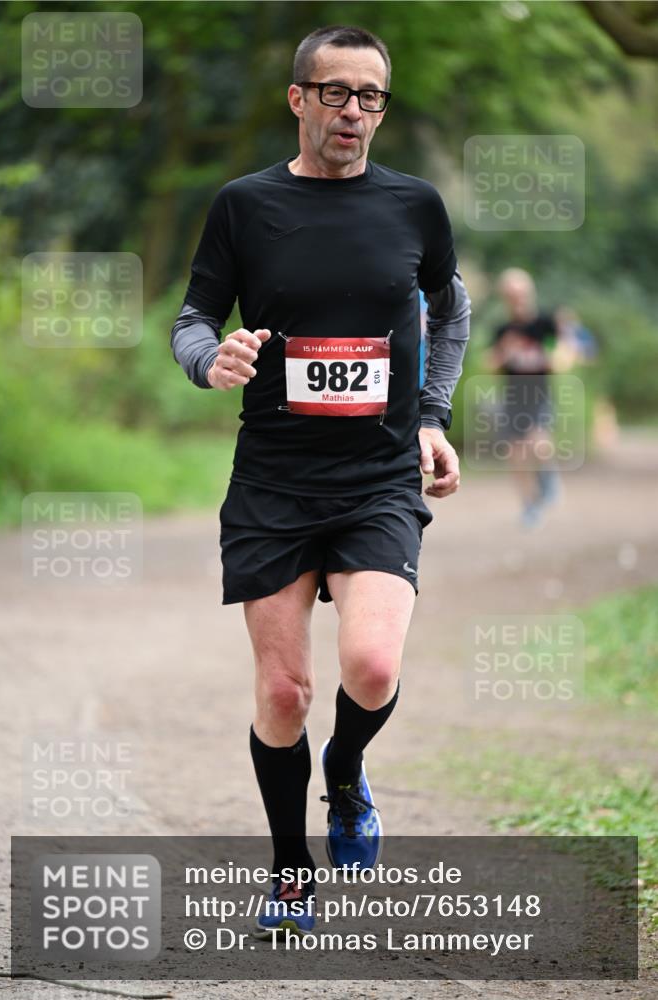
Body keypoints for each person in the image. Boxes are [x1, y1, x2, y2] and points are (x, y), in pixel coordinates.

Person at [170, 24, 471, 938]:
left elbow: (448, 313)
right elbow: (192, 318)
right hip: (272, 480)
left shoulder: (414, 206)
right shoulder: (243, 205)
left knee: (372, 668)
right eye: (334, 93)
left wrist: (429, 416)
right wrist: (207, 360)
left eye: (370, 97)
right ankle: (289, 871)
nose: (353, 113)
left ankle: (343, 775)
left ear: (383, 107)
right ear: (297, 99)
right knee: (282, 693)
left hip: (377, 476)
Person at [486, 268, 561, 527]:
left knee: (538, 443)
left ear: (530, 293)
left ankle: (548, 478)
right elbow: (490, 364)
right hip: (513, 396)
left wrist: (556, 359)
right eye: (511, 295)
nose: (517, 299)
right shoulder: (504, 330)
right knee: (516, 454)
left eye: (520, 293)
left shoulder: (545, 323)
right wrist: (506, 349)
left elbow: (565, 351)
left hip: (539, 393)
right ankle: (529, 505)